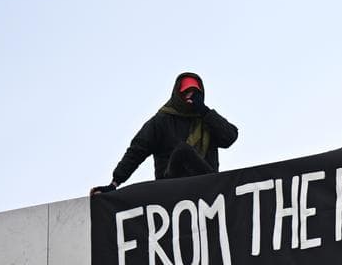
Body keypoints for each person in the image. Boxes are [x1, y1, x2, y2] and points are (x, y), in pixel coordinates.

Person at [92, 72, 238, 193]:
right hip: (171, 186)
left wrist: (204, 111)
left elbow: (230, 137)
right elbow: (137, 150)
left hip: (204, 184)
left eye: (195, 93)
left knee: (186, 152)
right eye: (186, 92)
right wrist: (115, 183)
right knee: (182, 151)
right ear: (177, 94)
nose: (190, 96)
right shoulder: (162, 120)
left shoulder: (207, 120)